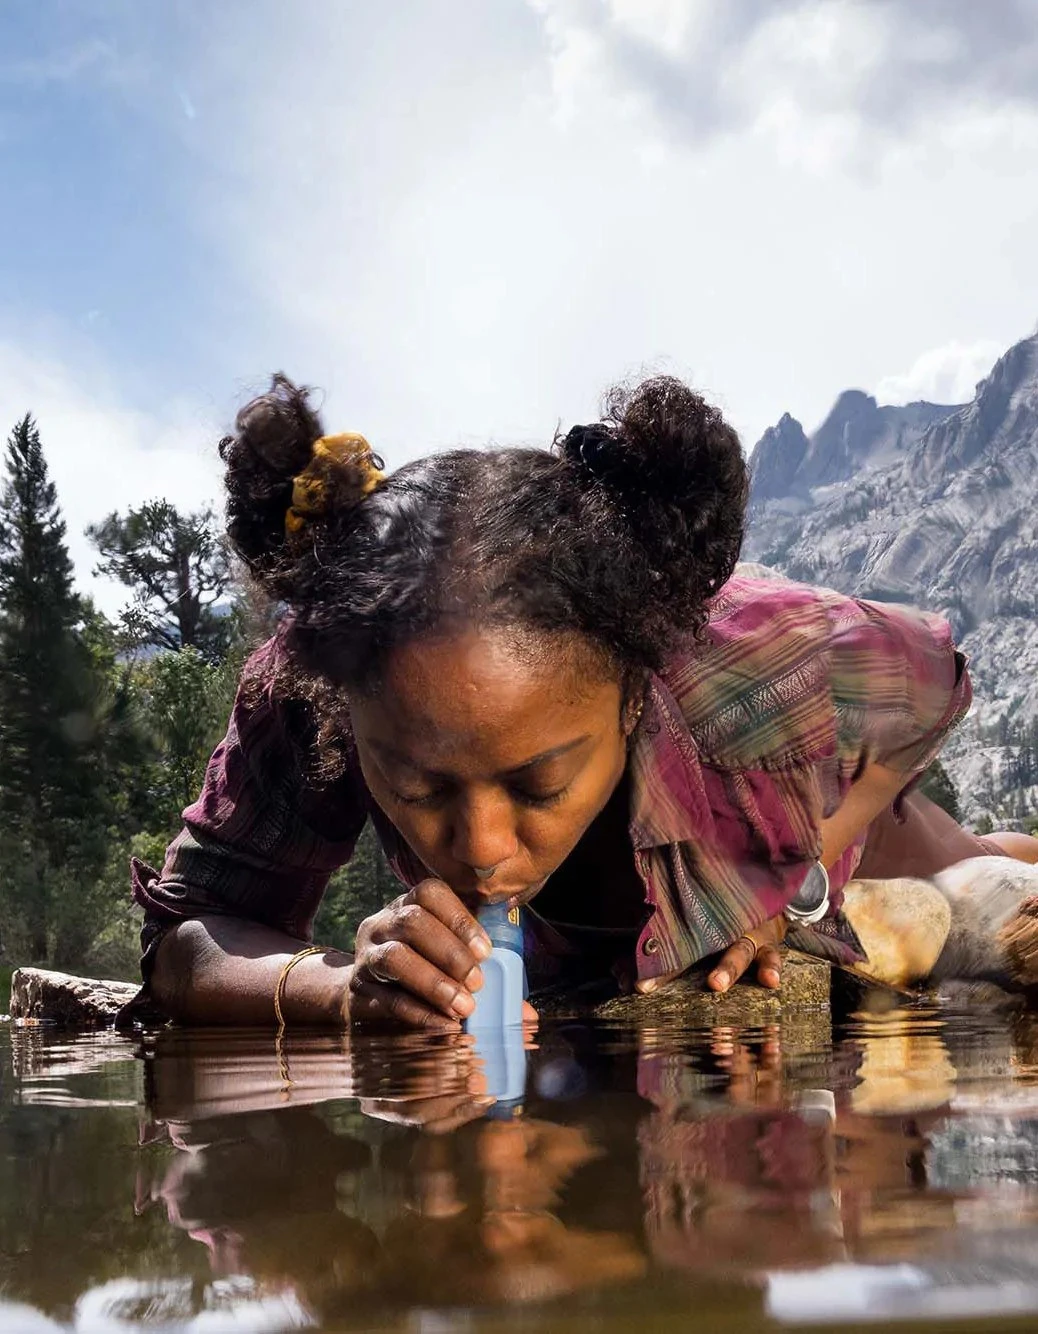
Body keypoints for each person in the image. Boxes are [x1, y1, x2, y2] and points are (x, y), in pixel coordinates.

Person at [132, 373, 1038, 1030]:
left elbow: (936, 679)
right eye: (418, 787)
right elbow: (184, 939)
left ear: (634, 698)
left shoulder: (745, 649)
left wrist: (798, 880)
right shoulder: (322, 675)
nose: (481, 853)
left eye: (538, 785)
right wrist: (340, 989)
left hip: (868, 853)